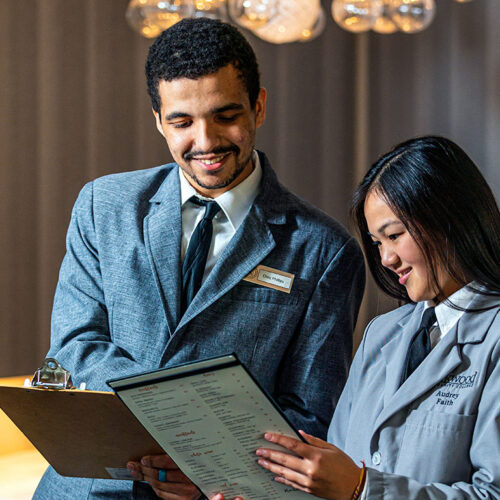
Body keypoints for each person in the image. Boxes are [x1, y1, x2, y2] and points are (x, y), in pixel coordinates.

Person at [33, 17, 365, 500]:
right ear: (158, 120)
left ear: (259, 106)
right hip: (85, 487)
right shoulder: (102, 205)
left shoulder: (325, 251)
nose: (206, 142)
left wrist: (212, 468)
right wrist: (176, 432)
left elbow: (309, 414)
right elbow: (75, 344)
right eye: (182, 122)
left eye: (226, 115)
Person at [214, 136, 500, 500]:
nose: (385, 259)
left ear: (451, 219)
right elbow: (334, 475)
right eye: (378, 243)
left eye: (394, 236)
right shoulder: (382, 335)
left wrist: (364, 489)